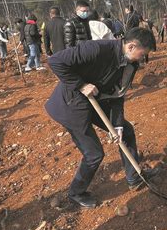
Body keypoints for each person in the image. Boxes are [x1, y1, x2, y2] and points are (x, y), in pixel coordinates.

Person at [44, 28, 159, 208]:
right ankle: (76, 192)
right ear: (131, 46)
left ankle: (134, 178)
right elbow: (56, 61)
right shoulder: (97, 49)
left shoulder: (131, 64)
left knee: (126, 132)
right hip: (70, 105)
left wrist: (118, 125)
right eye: (142, 54)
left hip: (94, 103)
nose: (142, 58)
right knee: (94, 153)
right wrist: (80, 85)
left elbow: (119, 94)